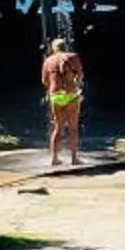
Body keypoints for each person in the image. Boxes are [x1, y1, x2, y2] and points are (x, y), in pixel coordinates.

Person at [41, 38, 86, 168]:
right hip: (71, 93)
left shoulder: (48, 61)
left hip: (55, 95)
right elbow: (80, 74)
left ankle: (54, 159)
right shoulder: (73, 56)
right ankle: (74, 158)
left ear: (54, 48)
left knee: (58, 128)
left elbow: (44, 81)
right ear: (65, 47)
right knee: (73, 128)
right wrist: (76, 85)